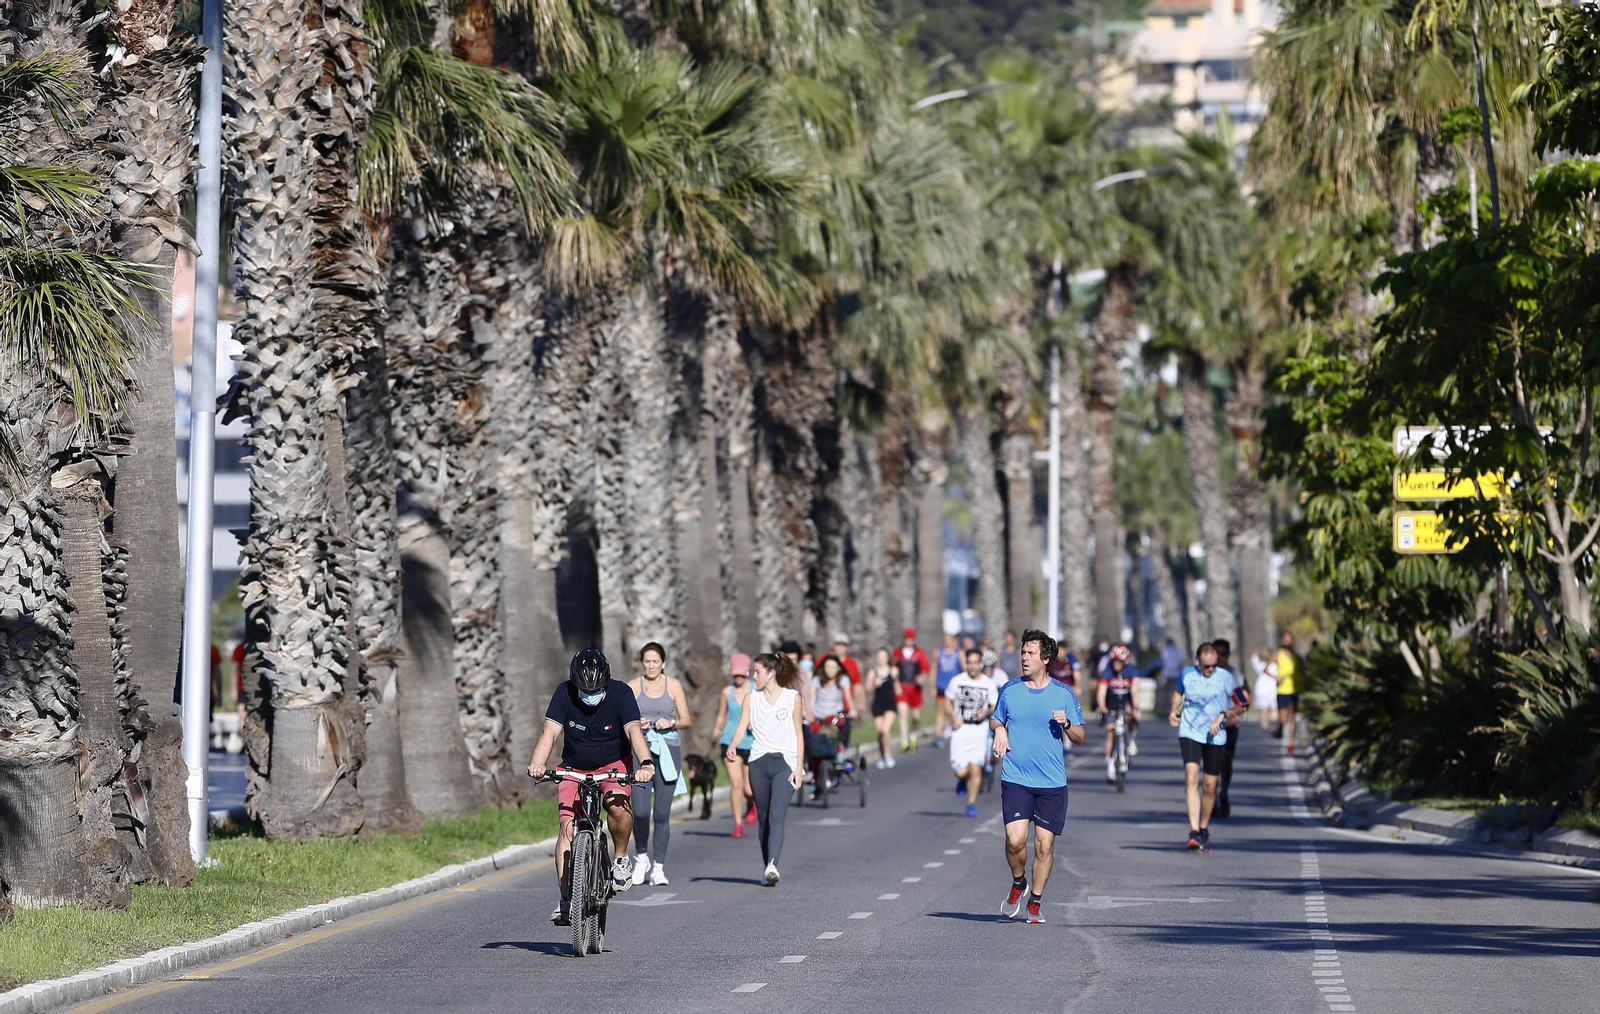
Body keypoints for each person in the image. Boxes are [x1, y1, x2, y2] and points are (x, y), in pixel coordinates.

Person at [528, 649, 657, 926]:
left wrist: (645, 764)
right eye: (584, 690)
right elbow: (550, 732)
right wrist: (537, 763)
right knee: (567, 828)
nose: (590, 694)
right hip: (574, 767)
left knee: (617, 806)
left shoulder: (622, 694)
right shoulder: (564, 693)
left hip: (613, 764)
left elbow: (634, 731)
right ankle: (566, 900)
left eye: (596, 690)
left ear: (605, 683)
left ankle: (620, 858)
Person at [992, 629, 1087, 924]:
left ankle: (1035, 901)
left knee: (1044, 846)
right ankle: (1018, 882)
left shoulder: (1063, 694)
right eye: (1023, 652)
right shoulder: (1010, 690)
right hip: (1016, 778)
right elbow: (995, 718)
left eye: (1030, 653)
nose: (1024, 657)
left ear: (1045, 659)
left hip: (1051, 783)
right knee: (1014, 840)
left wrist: (1067, 723)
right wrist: (999, 729)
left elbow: (1081, 736)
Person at [725, 652, 805, 886]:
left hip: (785, 763)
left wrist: (799, 766)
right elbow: (741, 727)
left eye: (757, 672)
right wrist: (732, 746)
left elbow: (799, 734)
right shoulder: (751, 698)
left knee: (776, 815)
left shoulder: (792, 698)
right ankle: (767, 868)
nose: (754, 676)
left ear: (771, 673)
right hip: (758, 762)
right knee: (763, 818)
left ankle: (772, 864)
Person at [1168, 643, 1245, 853]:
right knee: (1191, 778)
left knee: (1210, 786)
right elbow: (1178, 693)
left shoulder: (1226, 678)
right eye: (1206, 666)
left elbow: (1243, 703)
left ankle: (1203, 828)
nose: (1210, 669)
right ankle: (1194, 832)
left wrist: (1225, 715)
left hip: (1215, 735)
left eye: (1213, 665)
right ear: (1198, 662)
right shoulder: (1187, 674)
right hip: (1190, 732)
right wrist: (1174, 710)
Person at [625, 642, 691, 886]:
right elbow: (622, 719)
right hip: (640, 751)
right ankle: (641, 857)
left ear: (663, 662)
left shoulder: (673, 685)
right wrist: (635, 722)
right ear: (641, 663)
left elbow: (686, 720)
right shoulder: (633, 686)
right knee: (641, 811)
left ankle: (659, 868)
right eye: (647, 661)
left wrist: (671, 722)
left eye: (655, 661)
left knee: (662, 814)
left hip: (667, 751)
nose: (651, 665)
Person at [947, 648, 999, 817]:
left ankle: (971, 804)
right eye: (970, 663)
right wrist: (953, 716)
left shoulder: (988, 684)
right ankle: (963, 779)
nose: (973, 666)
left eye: (976, 663)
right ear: (966, 663)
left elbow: (995, 705)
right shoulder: (957, 681)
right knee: (961, 771)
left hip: (979, 730)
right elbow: (947, 700)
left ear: (981, 664)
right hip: (960, 730)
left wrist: (986, 712)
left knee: (976, 769)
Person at [713, 652, 758, 838]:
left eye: (741, 674)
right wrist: (717, 727)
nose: (738, 677)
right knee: (736, 784)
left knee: (749, 789)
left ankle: (752, 803)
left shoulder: (757, 689)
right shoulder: (727, 692)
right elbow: (722, 714)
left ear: (747, 672)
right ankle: (738, 824)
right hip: (730, 741)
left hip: (752, 741)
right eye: (735, 674)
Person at [807, 654, 856, 795]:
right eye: (828, 667)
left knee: (845, 724)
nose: (830, 670)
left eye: (833, 667)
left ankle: (841, 749)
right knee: (813, 746)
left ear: (838, 668)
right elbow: (811, 697)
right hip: (819, 717)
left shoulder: (843, 680)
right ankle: (815, 778)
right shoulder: (817, 680)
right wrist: (808, 712)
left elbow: (848, 697)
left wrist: (852, 710)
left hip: (835, 716)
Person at [1210, 638, 1248, 819]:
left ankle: (1223, 792)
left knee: (1225, 761)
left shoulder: (1236, 675)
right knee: (1211, 763)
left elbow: (1245, 700)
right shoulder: (1205, 674)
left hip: (1229, 725)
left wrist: (1233, 714)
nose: (1220, 657)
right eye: (1216, 653)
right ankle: (1211, 798)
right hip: (1210, 725)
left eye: (1223, 654)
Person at [1095, 644, 1140, 784]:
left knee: (1134, 716)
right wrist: (1102, 706)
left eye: (1119, 661)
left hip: (1126, 699)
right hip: (1111, 700)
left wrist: (1135, 707)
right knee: (1110, 731)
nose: (1116, 664)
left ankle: (1131, 739)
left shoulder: (1132, 670)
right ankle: (1110, 764)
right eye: (1114, 660)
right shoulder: (1107, 671)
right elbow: (1101, 691)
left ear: (1126, 661)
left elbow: (1135, 691)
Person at [894, 628, 930, 750]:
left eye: (910, 639)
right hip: (902, 687)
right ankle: (904, 741)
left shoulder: (919, 652)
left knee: (916, 717)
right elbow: (893, 667)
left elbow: (925, 669)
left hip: (915, 688)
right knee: (903, 714)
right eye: (907, 639)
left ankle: (913, 735)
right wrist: (896, 683)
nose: (908, 641)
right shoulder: (898, 652)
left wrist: (922, 678)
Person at [868, 647, 900, 769]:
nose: (881, 659)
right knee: (879, 731)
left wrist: (895, 679)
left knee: (885, 729)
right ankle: (882, 756)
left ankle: (888, 754)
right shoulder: (873, 672)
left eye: (883, 657)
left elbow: (898, 689)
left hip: (890, 704)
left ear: (887, 658)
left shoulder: (893, 671)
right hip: (878, 704)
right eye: (879, 657)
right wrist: (874, 684)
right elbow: (868, 689)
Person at [934, 633, 963, 747]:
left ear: (953, 641)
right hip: (941, 685)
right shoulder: (938, 652)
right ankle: (938, 735)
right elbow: (934, 669)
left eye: (948, 639)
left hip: (954, 687)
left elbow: (964, 668)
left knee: (952, 710)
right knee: (940, 710)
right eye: (945, 639)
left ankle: (951, 727)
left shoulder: (959, 653)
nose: (946, 642)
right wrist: (932, 685)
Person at [1275, 632, 1300, 755]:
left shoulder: (1296, 657)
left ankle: (1290, 744)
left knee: (1292, 718)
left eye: (1290, 640)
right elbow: (1265, 669)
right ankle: (1280, 728)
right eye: (1286, 640)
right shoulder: (1278, 655)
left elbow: (1302, 670)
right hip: (1282, 691)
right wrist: (1276, 677)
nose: (1288, 643)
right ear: (1282, 641)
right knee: (1283, 718)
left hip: (1294, 690)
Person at [830, 632, 863, 713]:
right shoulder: (825, 660)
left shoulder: (852, 664)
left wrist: (859, 703)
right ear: (833, 646)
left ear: (847, 647)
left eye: (843, 645)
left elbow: (857, 685)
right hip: (827, 706)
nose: (840, 647)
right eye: (838, 644)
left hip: (846, 707)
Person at [1252, 647, 1279, 732]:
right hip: (1272, 688)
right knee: (1274, 708)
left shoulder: (1258, 664)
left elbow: (1254, 656)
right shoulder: (1274, 665)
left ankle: (1265, 727)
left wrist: (1260, 651)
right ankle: (1274, 726)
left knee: (1264, 709)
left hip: (1260, 688)